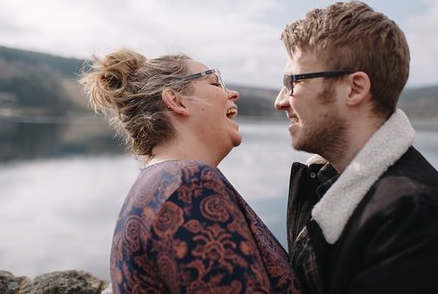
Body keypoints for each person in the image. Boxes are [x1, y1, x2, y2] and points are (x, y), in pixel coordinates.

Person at [274, 1, 438, 293]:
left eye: (293, 82)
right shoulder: (325, 185)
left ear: (354, 88)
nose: (280, 101)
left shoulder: (414, 218)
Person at [80, 50, 301, 293]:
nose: (233, 94)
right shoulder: (189, 184)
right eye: (215, 82)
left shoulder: (160, 183)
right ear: (176, 101)